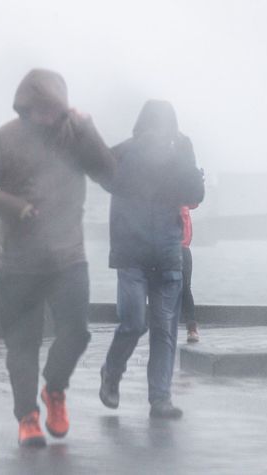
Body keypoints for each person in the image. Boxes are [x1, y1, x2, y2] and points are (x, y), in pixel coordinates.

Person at [0, 69, 114, 447]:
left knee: (77, 331)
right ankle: (28, 417)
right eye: (38, 110)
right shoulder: (3, 138)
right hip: (19, 259)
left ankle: (55, 390)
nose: (46, 117)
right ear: (25, 107)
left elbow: (109, 175)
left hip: (69, 253)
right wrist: (14, 206)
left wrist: (88, 128)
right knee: (22, 344)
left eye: (52, 110)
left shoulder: (74, 136)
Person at [98, 100, 204, 419]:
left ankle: (161, 398)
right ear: (144, 126)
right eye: (156, 125)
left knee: (164, 329)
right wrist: (137, 152)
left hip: (168, 254)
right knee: (134, 322)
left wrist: (186, 154)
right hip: (131, 254)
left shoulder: (178, 156)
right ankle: (111, 372)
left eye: (166, 125)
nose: (161, 132)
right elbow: (104, 176)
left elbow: (195, 195)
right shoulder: (124, 153)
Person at [181, 204, 200, 343]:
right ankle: (191, 329)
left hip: (182, 248)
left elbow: (195, 201)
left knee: (185, 288)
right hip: (166, 248)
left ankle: (192, 328)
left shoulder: (184, 197)